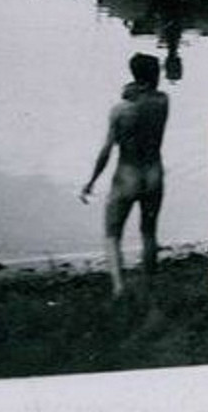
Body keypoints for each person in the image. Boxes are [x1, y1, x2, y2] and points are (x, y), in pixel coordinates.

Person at [80, 53, 169, 297]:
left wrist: (91, 181)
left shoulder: (120, 111)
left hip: (127, 175)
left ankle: (119, 288)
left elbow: (107, 150)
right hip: (154, 174)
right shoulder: (163, 102)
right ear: (154, 76)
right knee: (149, 232)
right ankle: (149, 287)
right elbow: (147, 99)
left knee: (112, 233)